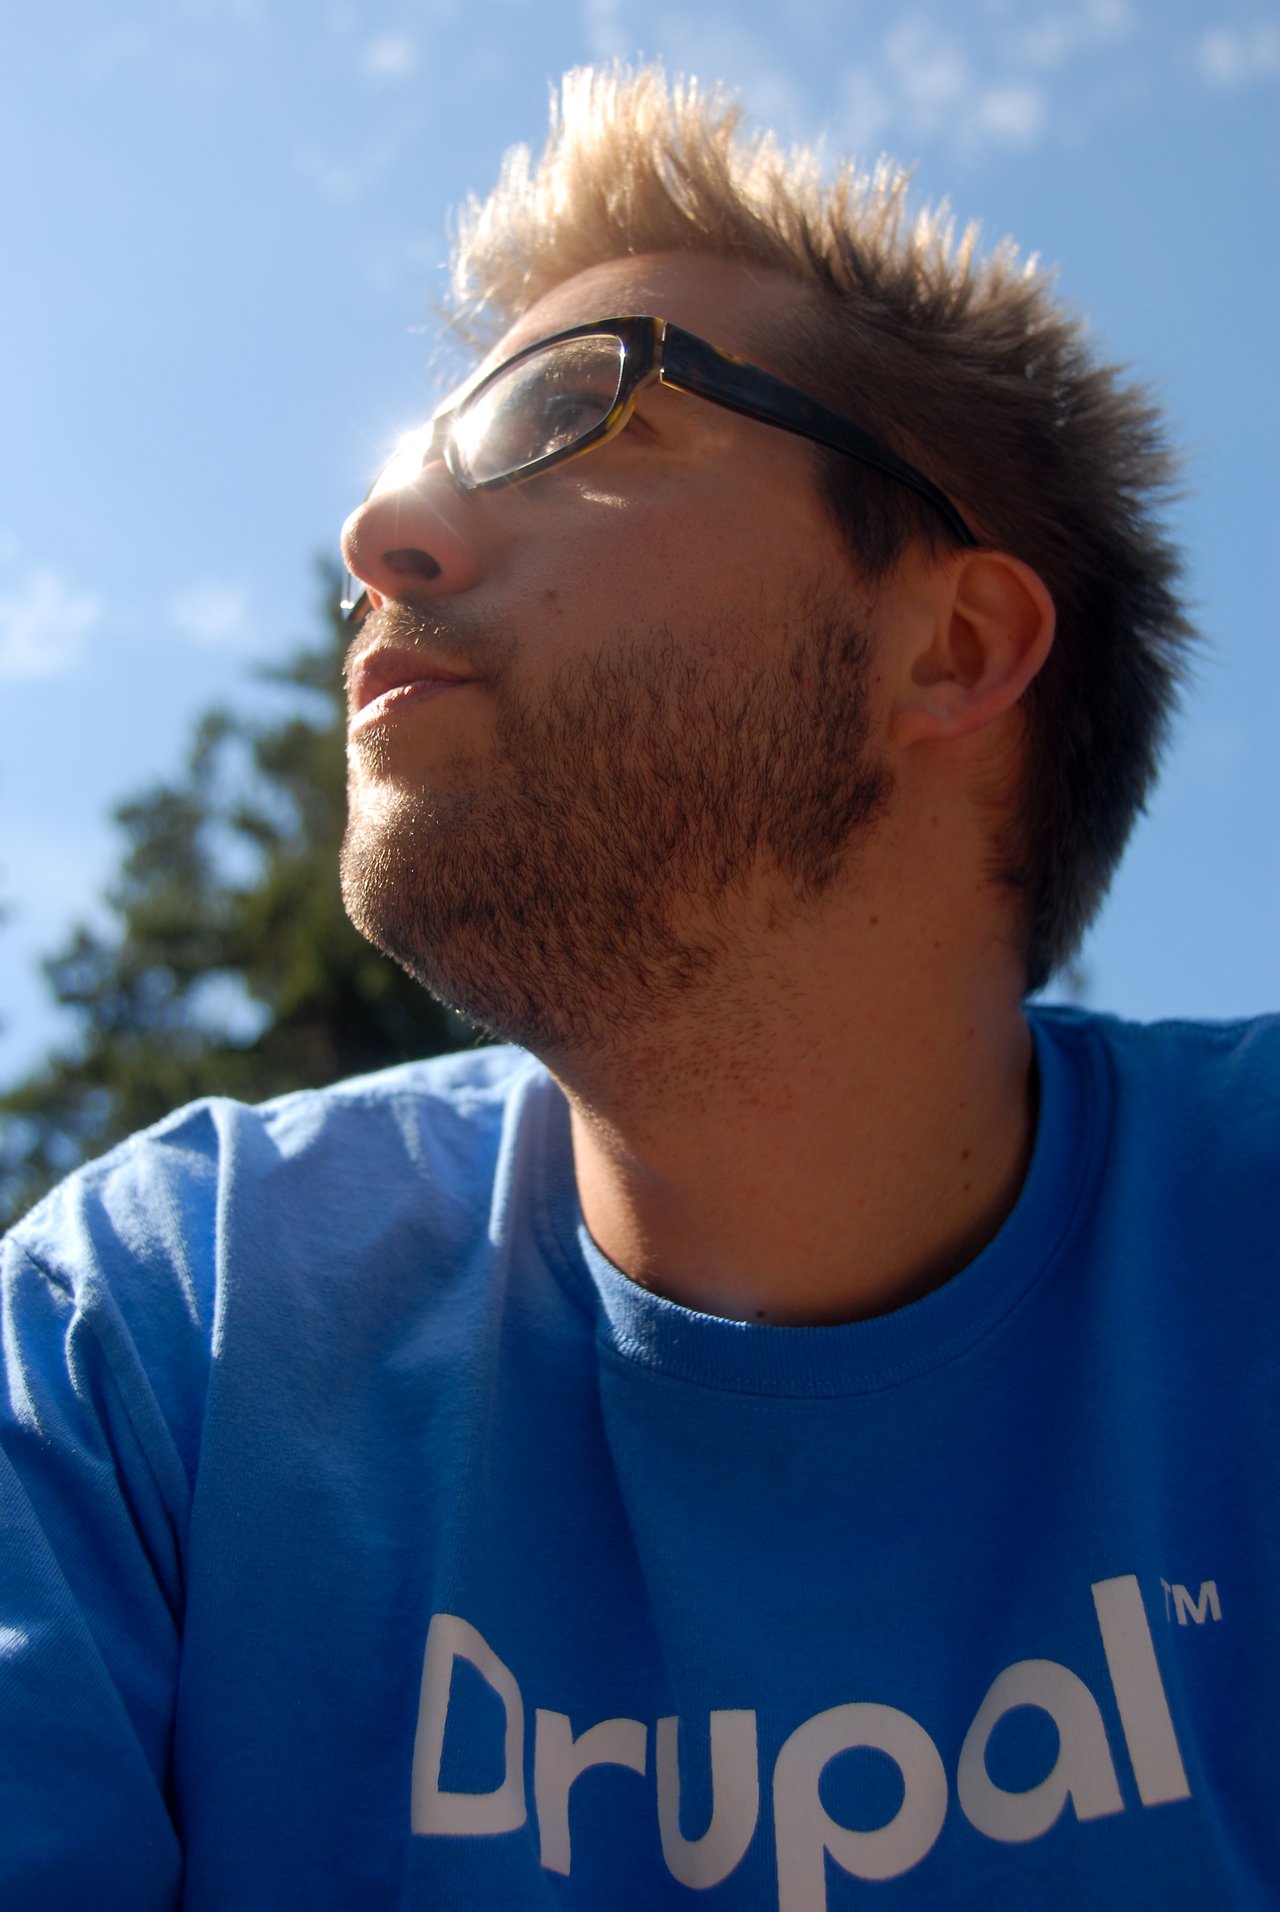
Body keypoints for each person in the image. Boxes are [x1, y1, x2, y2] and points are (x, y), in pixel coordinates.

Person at [2, 63, 1275, 1912]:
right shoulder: (155, 1347)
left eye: (570, 411)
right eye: (416, 456)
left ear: (955, 644)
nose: (380, 541)